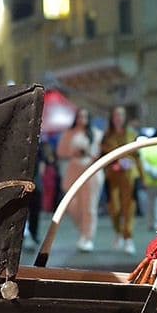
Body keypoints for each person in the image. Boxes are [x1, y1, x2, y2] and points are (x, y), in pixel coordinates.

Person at [56, 108, 100, 252]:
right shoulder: (69, 134)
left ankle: (87, 237)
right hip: (73, 170)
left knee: (89, 207)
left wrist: (88, 152)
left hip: (91, 172)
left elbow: (101, 153)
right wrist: (72, 152)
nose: (82, 119)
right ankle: (83, 230)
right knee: (72, 205)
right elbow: (60, 152)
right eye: (80, 116)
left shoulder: (96, 134)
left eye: (85, 116)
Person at [99, 105, 139, 255]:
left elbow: (137, 155)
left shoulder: (132, 134)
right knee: (114, 208)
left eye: (121, 115)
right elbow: (102, 156)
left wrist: (141, 175)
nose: (118, 118)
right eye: (116, 115)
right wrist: (111, 166)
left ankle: (128, 238)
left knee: (129, 208)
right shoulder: (107, 136)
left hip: (129, 176)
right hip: (112, 176)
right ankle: (118, 232)